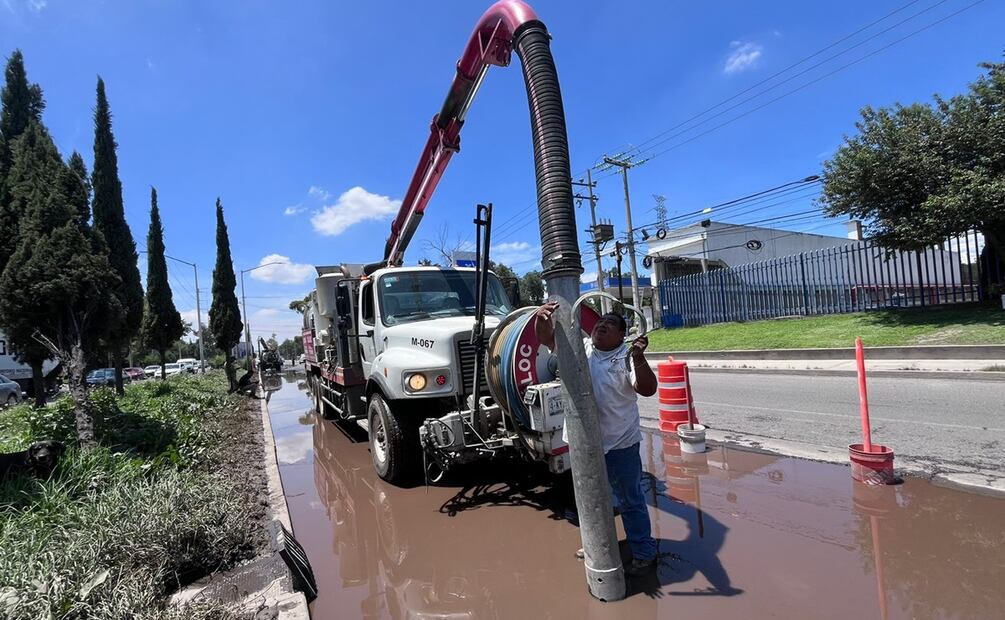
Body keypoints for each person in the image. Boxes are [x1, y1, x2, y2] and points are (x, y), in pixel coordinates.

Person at [534, 300, 659, 576]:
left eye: (611, 324)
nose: (602, 325)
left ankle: (644, 551)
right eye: (600, 322)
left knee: (630, 500)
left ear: (622, 336)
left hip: (620, 443)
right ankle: (597, 544)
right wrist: (542, 319)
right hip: (584, 444)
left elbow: (648, 389)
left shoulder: (626, 357)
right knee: (590, 498)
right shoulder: (581, 348)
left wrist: (639, 358)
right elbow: (545, 337)